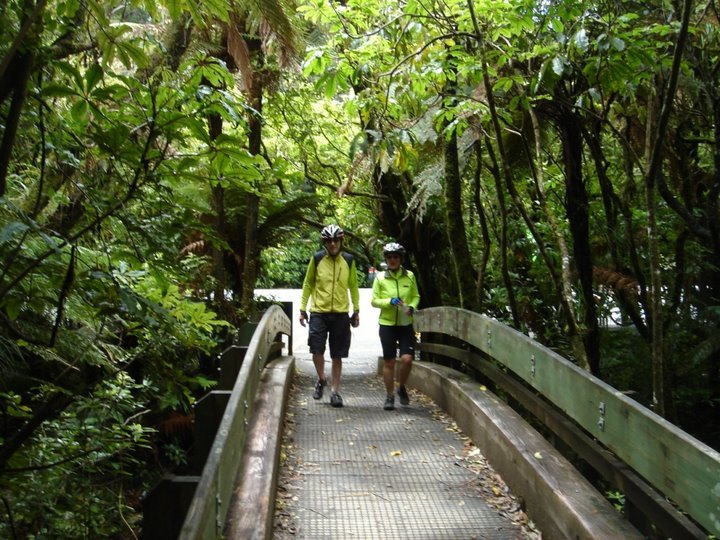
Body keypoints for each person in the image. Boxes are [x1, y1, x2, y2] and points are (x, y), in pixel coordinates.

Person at [299, 224, 360, 408]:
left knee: (337, 354)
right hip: (318, 311)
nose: (332, 244)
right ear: (324, 243)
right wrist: (302, 309)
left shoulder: (348, 260)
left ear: (341, 241)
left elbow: (354, 287)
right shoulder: (317, 259)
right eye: (329, 241)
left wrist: (356, 310)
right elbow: (308, 284)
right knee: (316, 349)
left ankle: (335, 392)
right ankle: (321, 378)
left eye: (336, 240)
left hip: (340, 313)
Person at [371, 242, 420, 410]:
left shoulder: (410, 276)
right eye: (389, 257)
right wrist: (389, 302)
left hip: (406, 324)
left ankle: (401, 387)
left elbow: (415, 296)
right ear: (386, 259)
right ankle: (389, 396)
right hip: (387, 324)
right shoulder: (380, 278)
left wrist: (412, 306)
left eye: (395, 257)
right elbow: (374, 301)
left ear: (401, 259)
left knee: (407, 359)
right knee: (390, 361)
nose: (392, 260)